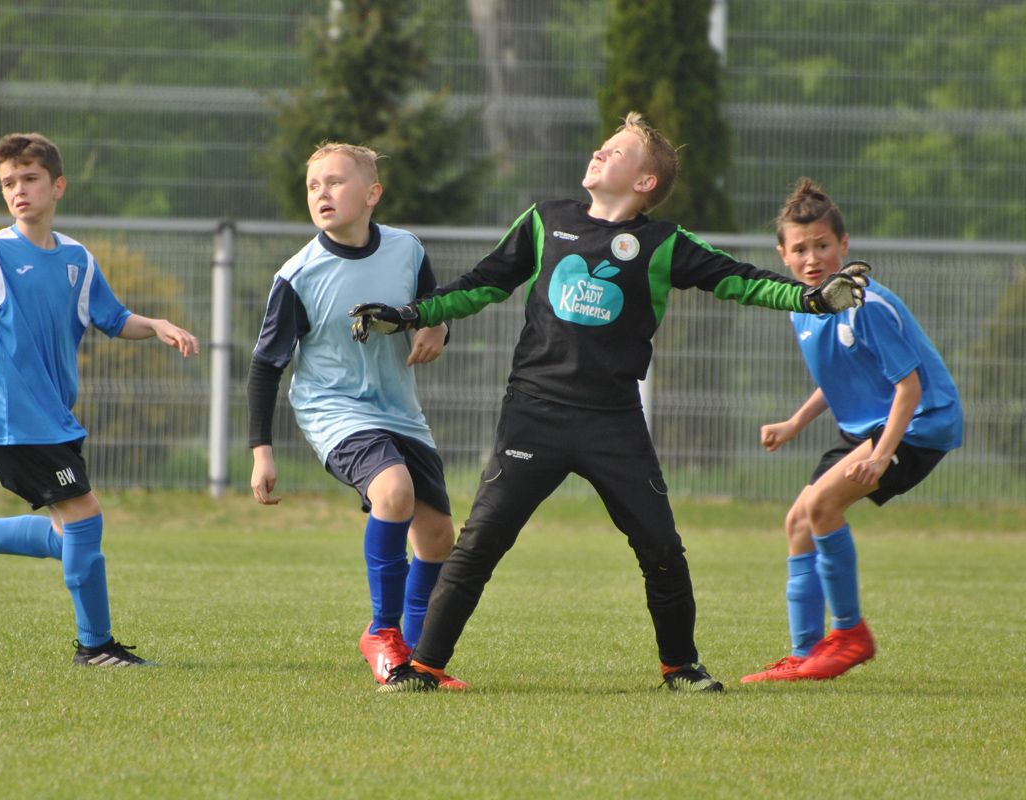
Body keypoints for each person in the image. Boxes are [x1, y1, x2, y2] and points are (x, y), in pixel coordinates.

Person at [349, 112, 870, 693]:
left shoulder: (664, 243)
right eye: (602, 146)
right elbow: (481, 283)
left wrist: (811, 299)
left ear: (645, 181)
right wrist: (411, 315)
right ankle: (424, 668)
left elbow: (741, 279)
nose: (599, 152)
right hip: (533, 413)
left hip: (614, 422)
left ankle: (681, 667)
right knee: (480, 543)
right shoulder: (546, 220)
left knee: (661, 548)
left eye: (616, 151)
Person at [0, 132, 200, 667]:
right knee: (85, 514)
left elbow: (112, 318)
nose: (19, 190)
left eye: (30, 179)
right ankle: (96, 646)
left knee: (68, 535)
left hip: (53, 417)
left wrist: (155, 324)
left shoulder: (78, 258)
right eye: (8, 182)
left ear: (58, 186)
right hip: (13, 415)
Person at [246, 142, 462, 688]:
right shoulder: (298, 275)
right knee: (393, 491)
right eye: (313, 185)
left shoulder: (407, 250)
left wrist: (438, 327)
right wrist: (261, 451)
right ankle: (382, 634)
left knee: (438, 537)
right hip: (333, 408)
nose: (322, 193)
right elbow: (266, 366)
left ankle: (417, 661)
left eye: (335, 182)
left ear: (372, 194)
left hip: (400, 409)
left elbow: (431, 310)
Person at [739, 179, 962, 683]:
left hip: (919, 423)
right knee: (799, 521)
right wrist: (795, 422)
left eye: (822, 245)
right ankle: (804, 654)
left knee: (822, 507)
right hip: (870, 425)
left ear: (844, 244)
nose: (812, 258)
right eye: (800, 249)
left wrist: (881, 457)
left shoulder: (866, 305)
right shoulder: (805, 306)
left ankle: (849, 635)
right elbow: (843, 373)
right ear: (782, 255)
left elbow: (909, 388)